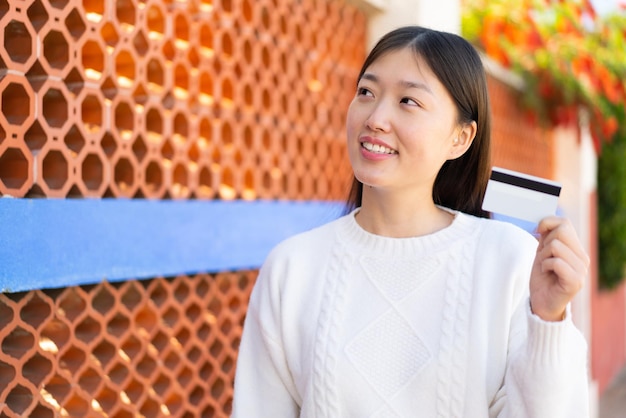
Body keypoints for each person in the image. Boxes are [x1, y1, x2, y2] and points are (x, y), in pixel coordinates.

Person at [231, 26, 590, 417]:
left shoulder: (511, 259)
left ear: (461, 138)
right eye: (366, 92)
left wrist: (548, 319)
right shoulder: (292, 268)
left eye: (408, 101)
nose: (377, 118)